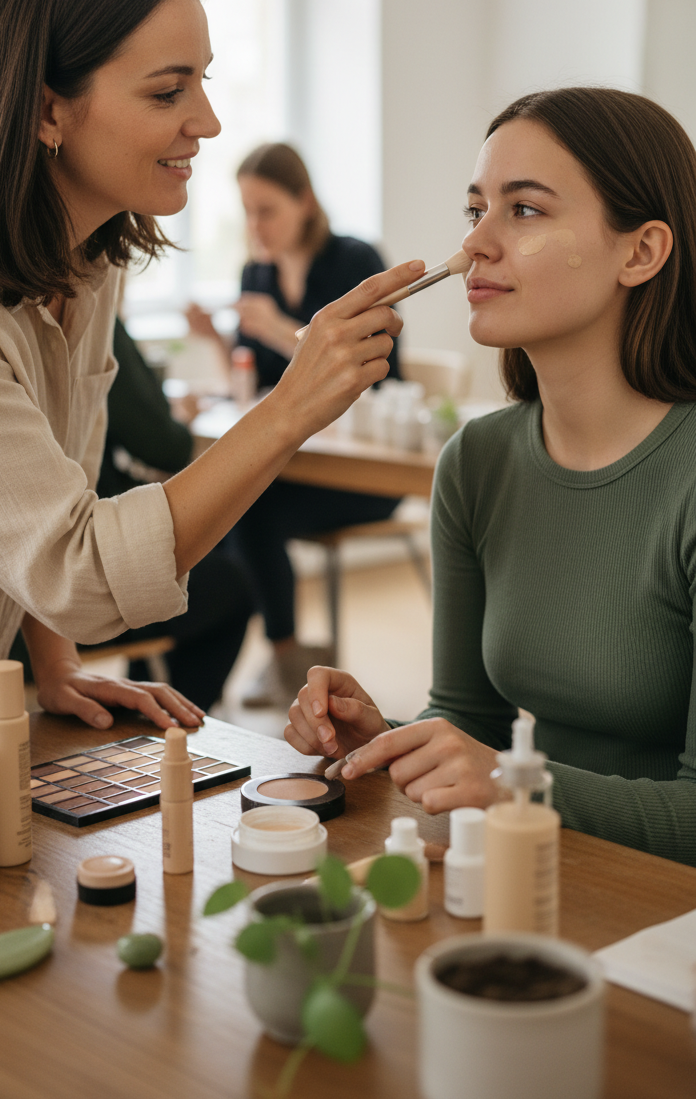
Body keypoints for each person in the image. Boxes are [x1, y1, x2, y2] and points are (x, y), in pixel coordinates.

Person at [0, 0, 419, 737]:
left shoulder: (87, 262)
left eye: (204, 81)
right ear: (48, 110)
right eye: (168, 91)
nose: (209, 121)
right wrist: (290, 405)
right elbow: (79, 569)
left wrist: (55, 662)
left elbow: (50, 498)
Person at [286, 86, 696, 866]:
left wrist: (512, 784)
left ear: (640, 252)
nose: (474, 243)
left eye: (525, 210)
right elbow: (468, 717)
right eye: (476, 210)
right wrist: (389, 737)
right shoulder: (476, 462)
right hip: (530, 873)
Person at [187, 143, 402, 710]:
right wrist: (216, 340)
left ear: (304, 201)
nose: (255, 226)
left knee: (250, 509)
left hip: (364, 473)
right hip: (297, 466)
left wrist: (281, 328)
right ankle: (272, 656)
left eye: (267, 211)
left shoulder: (353, 262)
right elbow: (256, 382)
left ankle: (284, 657)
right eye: (247, 212)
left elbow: (374, 371)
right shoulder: (256, 273)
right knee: (235, 502)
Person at [85, 317, 255, 711]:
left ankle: (146, 691)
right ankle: (172, 722)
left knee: (231, 537)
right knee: (231, 586)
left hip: (38, 579)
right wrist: (180, 420)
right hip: (77, 580)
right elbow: (166, 445)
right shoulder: (98, 321)